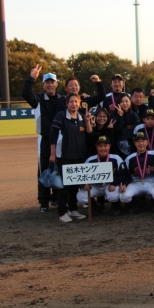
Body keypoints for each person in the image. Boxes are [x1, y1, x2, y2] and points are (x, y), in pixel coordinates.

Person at [21, 65, 66, 212]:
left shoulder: (63, 99)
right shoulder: (38, 99)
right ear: (43, 85)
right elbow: (25, 93)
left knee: (60, 168)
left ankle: (57, 198)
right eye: (47, 82)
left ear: (56, 84)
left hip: (60, 138)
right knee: (44, 169)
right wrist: (31, 78)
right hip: (45, 139)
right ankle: (44, 201)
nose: (50, 85)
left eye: (52, 82)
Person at [49, 92, 92, 222]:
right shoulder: (61, 116)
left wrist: (88, 121)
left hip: (78, 156)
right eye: (71, 101)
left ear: (79, 103)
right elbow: (53, 135)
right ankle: (62, 212)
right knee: (63, 186)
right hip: (64, 156)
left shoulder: (81, 117)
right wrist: (52, 153)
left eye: (76, 101)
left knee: (74, 185)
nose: (74, 104)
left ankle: (73, 209)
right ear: (67, 103)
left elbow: (89, 133)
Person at [119, 131, 154, 213]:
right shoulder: (129, 158)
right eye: (138, 141)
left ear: (147, 142)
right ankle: (133, 202)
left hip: (151, 182)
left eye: (143, 141)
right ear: (134, 143)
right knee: (123, 197)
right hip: (135, 183)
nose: (141, 144)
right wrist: (124, 184)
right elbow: (126, 174)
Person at [77, 135, 125, 214]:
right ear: (96, 147)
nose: (103, 148)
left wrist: (114, 183)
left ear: (109, 146)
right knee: (81, 197)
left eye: (105, 146)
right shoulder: (90, 160)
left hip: (109, 185)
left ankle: (116, 205)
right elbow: (83, 176)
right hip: (94, 186)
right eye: (100, 146)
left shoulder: (116, 158)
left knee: (113, 195)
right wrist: (85, 184)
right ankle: (93, 205)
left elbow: (122, 174)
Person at [111, 93, 140, 157]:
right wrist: (120, 117)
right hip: (117, 146)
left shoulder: (134, 115)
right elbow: (118, 130)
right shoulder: (113, 115)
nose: (124, 103)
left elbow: (136, 131)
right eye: (122, 101)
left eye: (126, 101)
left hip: (132, 145)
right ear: (118, 103)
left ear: (130, 102)